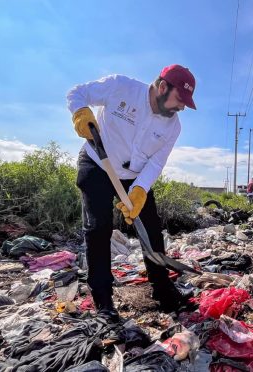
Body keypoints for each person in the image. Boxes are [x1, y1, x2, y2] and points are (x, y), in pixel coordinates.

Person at [67, 64, 197, 318]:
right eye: (179, 99)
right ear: (162, 87)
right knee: (98, 228)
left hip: (133, 176)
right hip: (97, 164)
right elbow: (77, 93)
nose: (181, 107)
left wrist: (139, 190)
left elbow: (156, 162)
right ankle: (103, 300)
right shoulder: (121, 87)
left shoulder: (174, 127)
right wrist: (80, 111)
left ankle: (162, 291)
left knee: (151, 229)